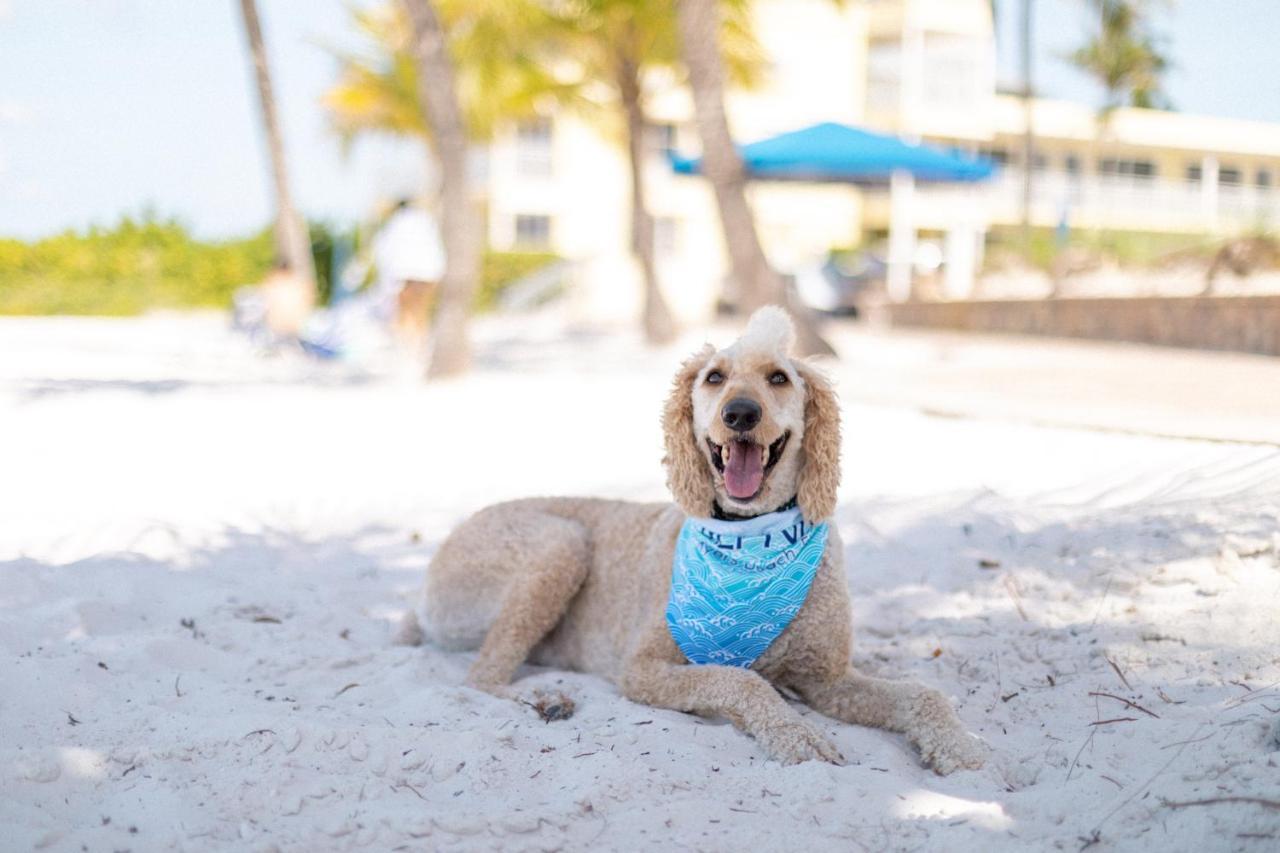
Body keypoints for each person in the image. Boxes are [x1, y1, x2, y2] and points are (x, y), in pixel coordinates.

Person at [369, 198, 445, 351]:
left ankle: (408, 345)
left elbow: (384, 250)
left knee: (405, 312)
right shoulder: (425, 220)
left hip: (403, 274)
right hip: (427, 275)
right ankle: (419, 343)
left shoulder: (395, 223)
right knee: (420, 311)